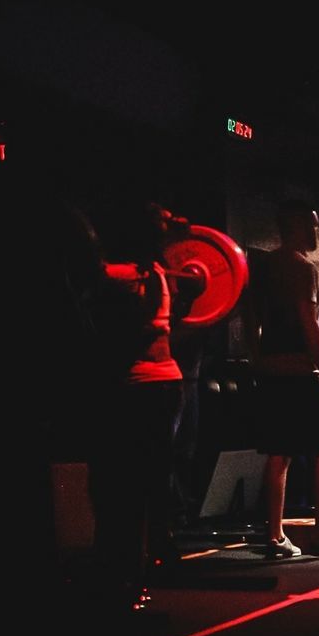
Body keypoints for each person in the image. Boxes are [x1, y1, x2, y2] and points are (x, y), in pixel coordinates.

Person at [245, 201, 319, 559]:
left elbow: (250, 317)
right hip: (300, 370)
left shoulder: (263, 266)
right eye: (311, 227)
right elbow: (309, 326)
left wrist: (258, 359)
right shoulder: (302, 268)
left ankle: (274, 536)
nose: (315, 234)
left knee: (279, 453)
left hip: (272, 369)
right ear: (296, 228)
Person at [89, 201, 186, 611]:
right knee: (148, 483)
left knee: (121, 486)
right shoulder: (160, 274)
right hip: (163, 386)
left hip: (138, 390)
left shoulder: (120, 276)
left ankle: (128, 573)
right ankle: (144, 565)